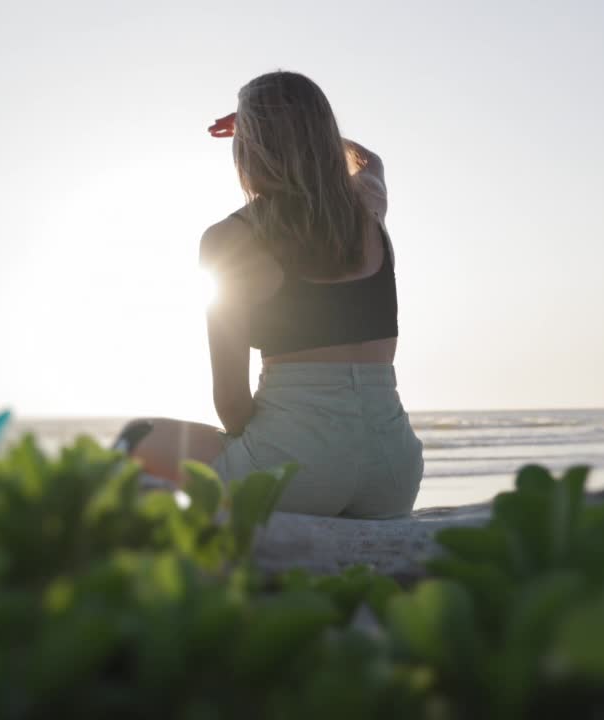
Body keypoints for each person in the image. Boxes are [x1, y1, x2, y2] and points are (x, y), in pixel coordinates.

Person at [113, 71, 423, 518]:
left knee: (138, 437)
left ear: (249, 147)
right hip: (394, 473)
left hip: (298, 470)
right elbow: (370, 161)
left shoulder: (228, 239)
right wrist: (301, 127)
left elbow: (232, 406)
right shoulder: (368, 210)